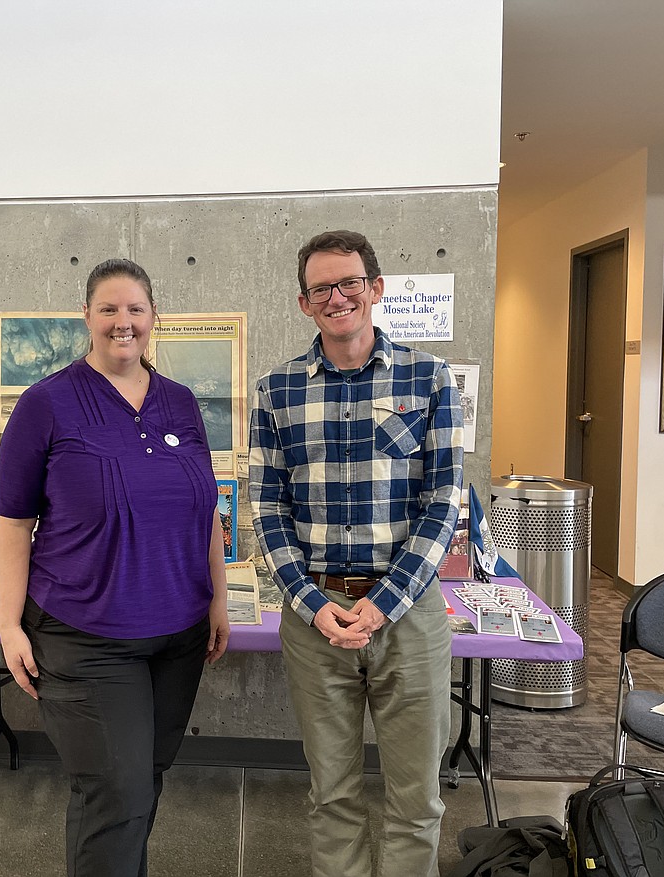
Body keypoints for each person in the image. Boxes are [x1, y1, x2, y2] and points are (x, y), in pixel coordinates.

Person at [0, 258, 230, 877]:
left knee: (142, 783)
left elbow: (206, 510)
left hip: (176, 636)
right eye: (109, 309)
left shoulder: (181, 405)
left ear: (154, 319)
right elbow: (13, 522)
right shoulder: (46, 404)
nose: (122, 322)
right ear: (87, 318)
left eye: (135, 310)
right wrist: (9, 626)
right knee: (116, 794)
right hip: (85, 635)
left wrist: (218, 600)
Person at [248, 230, 464, 877]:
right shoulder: (277, 390)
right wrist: (312, 602)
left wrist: (384, 602)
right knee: (332, 794)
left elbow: (443, 499)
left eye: (348, 283)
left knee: (415, 800)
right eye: (322, 288)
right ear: (304, 302)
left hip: (409, 616)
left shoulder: (428, 378)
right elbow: (268, 508)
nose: (337, 297)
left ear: (375, 288)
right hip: (315, 617)